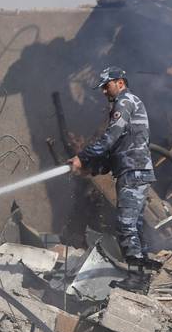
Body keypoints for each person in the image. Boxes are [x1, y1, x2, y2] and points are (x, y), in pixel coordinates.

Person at [67, 66, 160, 286]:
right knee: (134, 225)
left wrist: (82, 157)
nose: (103, 91)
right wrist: (92, 169)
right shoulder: (127, 104)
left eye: (106, 86)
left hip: (134, 172)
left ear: (120, 82)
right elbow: (116, 150)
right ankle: (142, 272)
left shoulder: (125, 102)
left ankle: (137, 278)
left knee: (125, 225)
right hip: (133, 171)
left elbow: (109, 139)